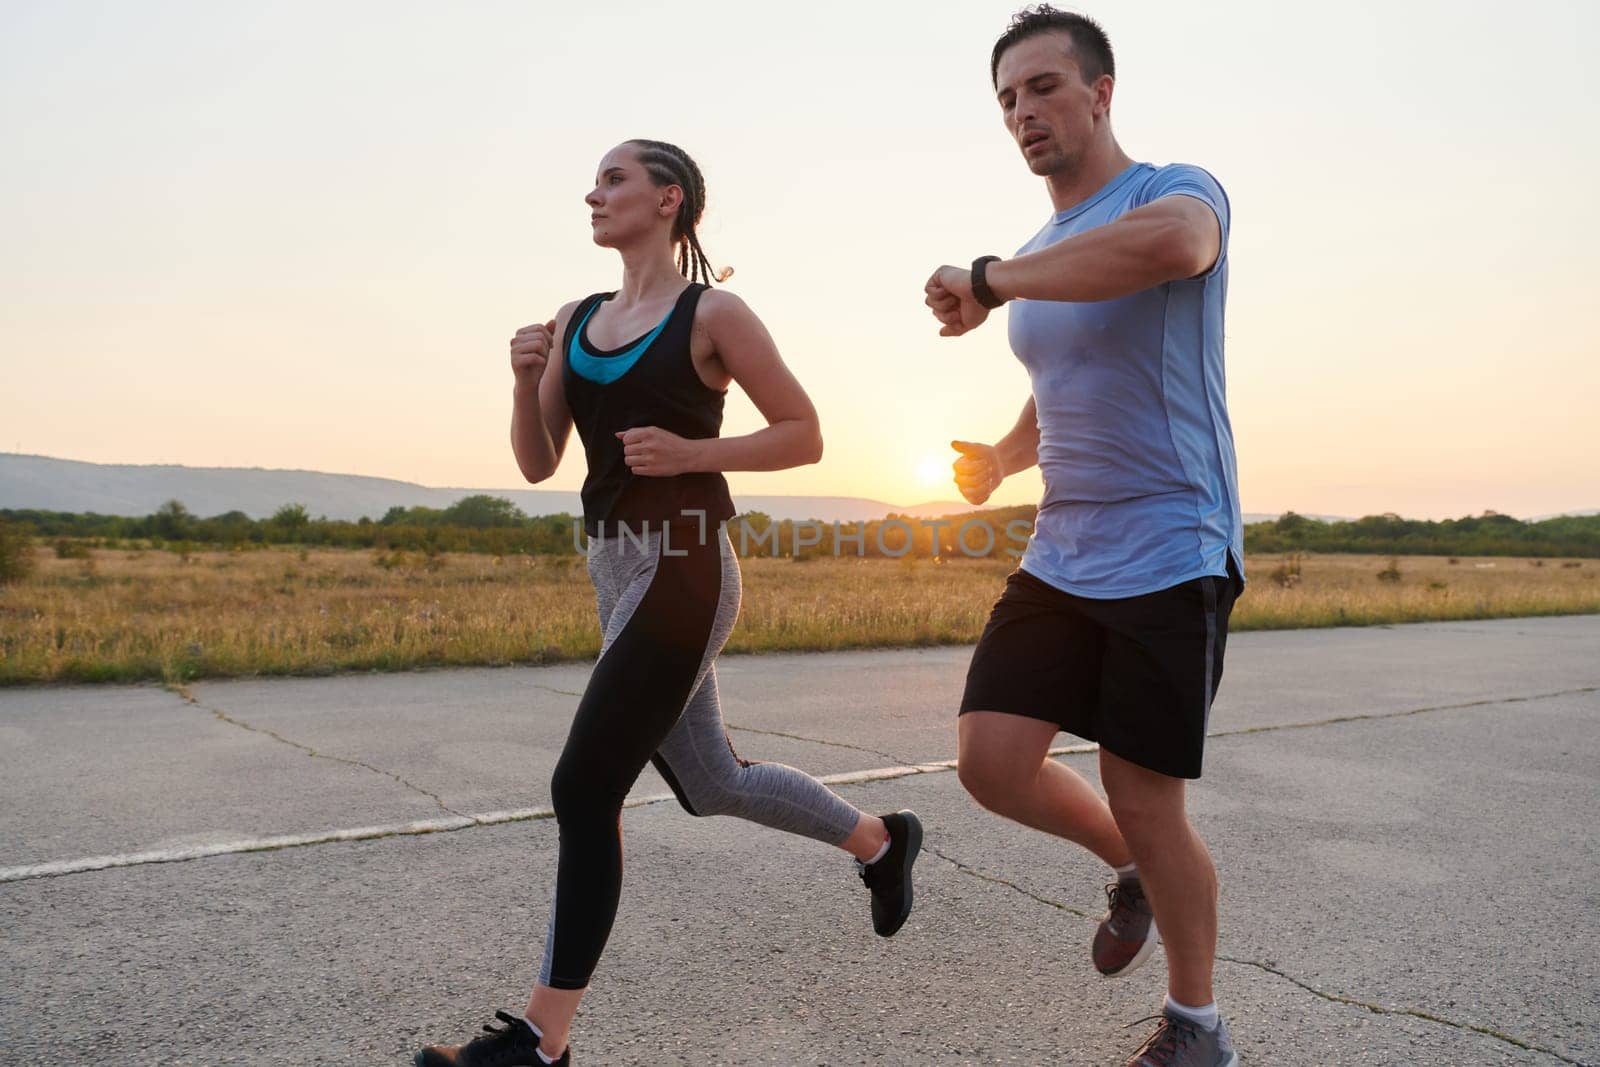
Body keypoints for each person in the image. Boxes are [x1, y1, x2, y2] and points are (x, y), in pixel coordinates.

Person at [414, 139, 923, 1067]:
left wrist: (693, 455)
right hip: (613, 570)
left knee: (582, 785)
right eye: (595, 180)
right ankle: (883, 842)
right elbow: (538, 461)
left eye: (614, 179)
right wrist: (525, 379)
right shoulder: (576, 318)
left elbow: (804, 433)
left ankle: (540, 1039)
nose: (593, 194)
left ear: (668, 199)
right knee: (711, 783)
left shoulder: (714, 313)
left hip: (689, 567)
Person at [925, 8, 1245, 1066]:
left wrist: (991, 279)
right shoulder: (1033, 253)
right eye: (1008, 98)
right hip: (1062, 551)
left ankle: (1196, 1026)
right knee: (991, 758)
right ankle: (1132, 870)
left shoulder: (1172, 189)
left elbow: (1173, 251)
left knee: (1145, 792)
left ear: (1100, 92)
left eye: (1045, 87)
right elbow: (1058, 383)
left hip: (1170, 544)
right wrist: (1003, 460)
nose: (1024, 112)